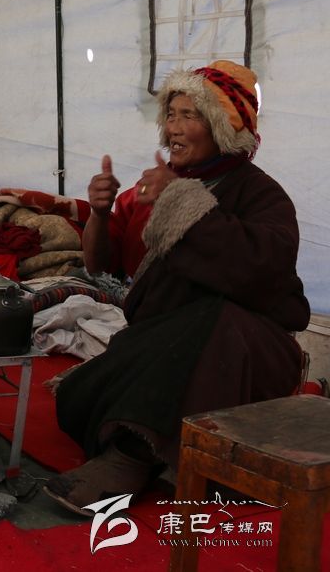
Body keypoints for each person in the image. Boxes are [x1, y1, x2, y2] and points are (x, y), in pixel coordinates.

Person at [44, 60, 309, 515]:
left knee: (217, 321)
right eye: (171, 114)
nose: (174, 129)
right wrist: (100, 215)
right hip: (160, 344)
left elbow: (261, 268)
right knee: (77, 398)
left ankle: (132, 456)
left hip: (242, 353)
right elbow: (99, 262)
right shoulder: (152, 189)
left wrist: (180, 201)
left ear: (223, 128)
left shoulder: (261, 193)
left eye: (191, 115)